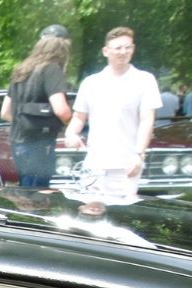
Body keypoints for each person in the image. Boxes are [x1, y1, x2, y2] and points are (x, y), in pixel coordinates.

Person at [65, 26, 161, 198]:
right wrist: (71, 133)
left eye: (128, 47)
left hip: (126, 165)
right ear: (106, 51)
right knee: (90, 217)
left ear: (133, 49)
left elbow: (147, 120)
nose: (123, 52)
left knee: (121, 218)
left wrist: (139, 154)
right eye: (118, 48)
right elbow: (79, 117)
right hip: (94, 164)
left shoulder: (145, 80)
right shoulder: (91, 83)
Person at [0, 24, 73, 187]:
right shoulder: (52, 69)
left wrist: (25, 122)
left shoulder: (22, 70)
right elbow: (61, 110)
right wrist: (72, 125)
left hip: (18, 142)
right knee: (38, 196)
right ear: (63, 46)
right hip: (41, 144)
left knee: (26, 192)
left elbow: (5, 112)